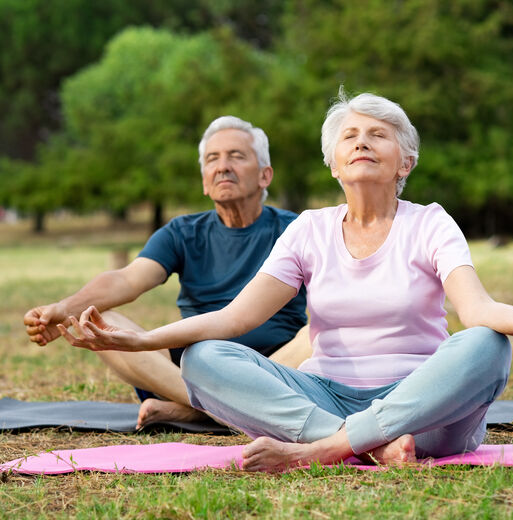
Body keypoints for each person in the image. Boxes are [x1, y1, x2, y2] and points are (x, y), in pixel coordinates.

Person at [58, 91, 513, 472]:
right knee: (202, 358)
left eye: (379, 134)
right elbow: (237, 318)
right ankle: (368, 444)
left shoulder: (431, 224)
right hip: (325, 401)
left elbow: (476, 311)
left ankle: (327, 450)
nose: (362, 142)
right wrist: (144, 341)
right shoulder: (309, 229)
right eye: (349, 136)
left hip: (424, 410)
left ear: (405, 163)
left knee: (487, 344)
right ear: (334, 164)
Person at [24, 115, 309, 429]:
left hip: (277, 364)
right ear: (204, 180)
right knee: (97, 319)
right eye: (212, 159)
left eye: (236, 156)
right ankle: (224, 409)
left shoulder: (297, 229)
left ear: (265, 175)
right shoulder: (182, 232)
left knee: (317, 335)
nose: (222, 166)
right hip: (193, 367)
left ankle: (195, 411)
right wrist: (64, 309)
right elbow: (128, 279)